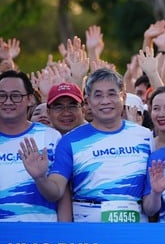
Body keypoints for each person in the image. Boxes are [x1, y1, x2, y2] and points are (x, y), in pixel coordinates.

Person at [20, 68, 154, 222]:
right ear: (88, 101)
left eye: (111, 94)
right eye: (98, 95)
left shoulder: (144, 136)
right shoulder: (70, 141)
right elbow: (56, 191)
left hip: (135, 228)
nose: (105, 101)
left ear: (123, 96)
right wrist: (40, 178)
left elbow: (152, 201)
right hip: (88, 230)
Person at [0, 70, 68, 222]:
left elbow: (61, 194)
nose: (8, 101)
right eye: (2, 95)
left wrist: (40, 178)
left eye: (16, 96)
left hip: (40, 236)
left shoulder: (51, 137)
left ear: (30, 99)